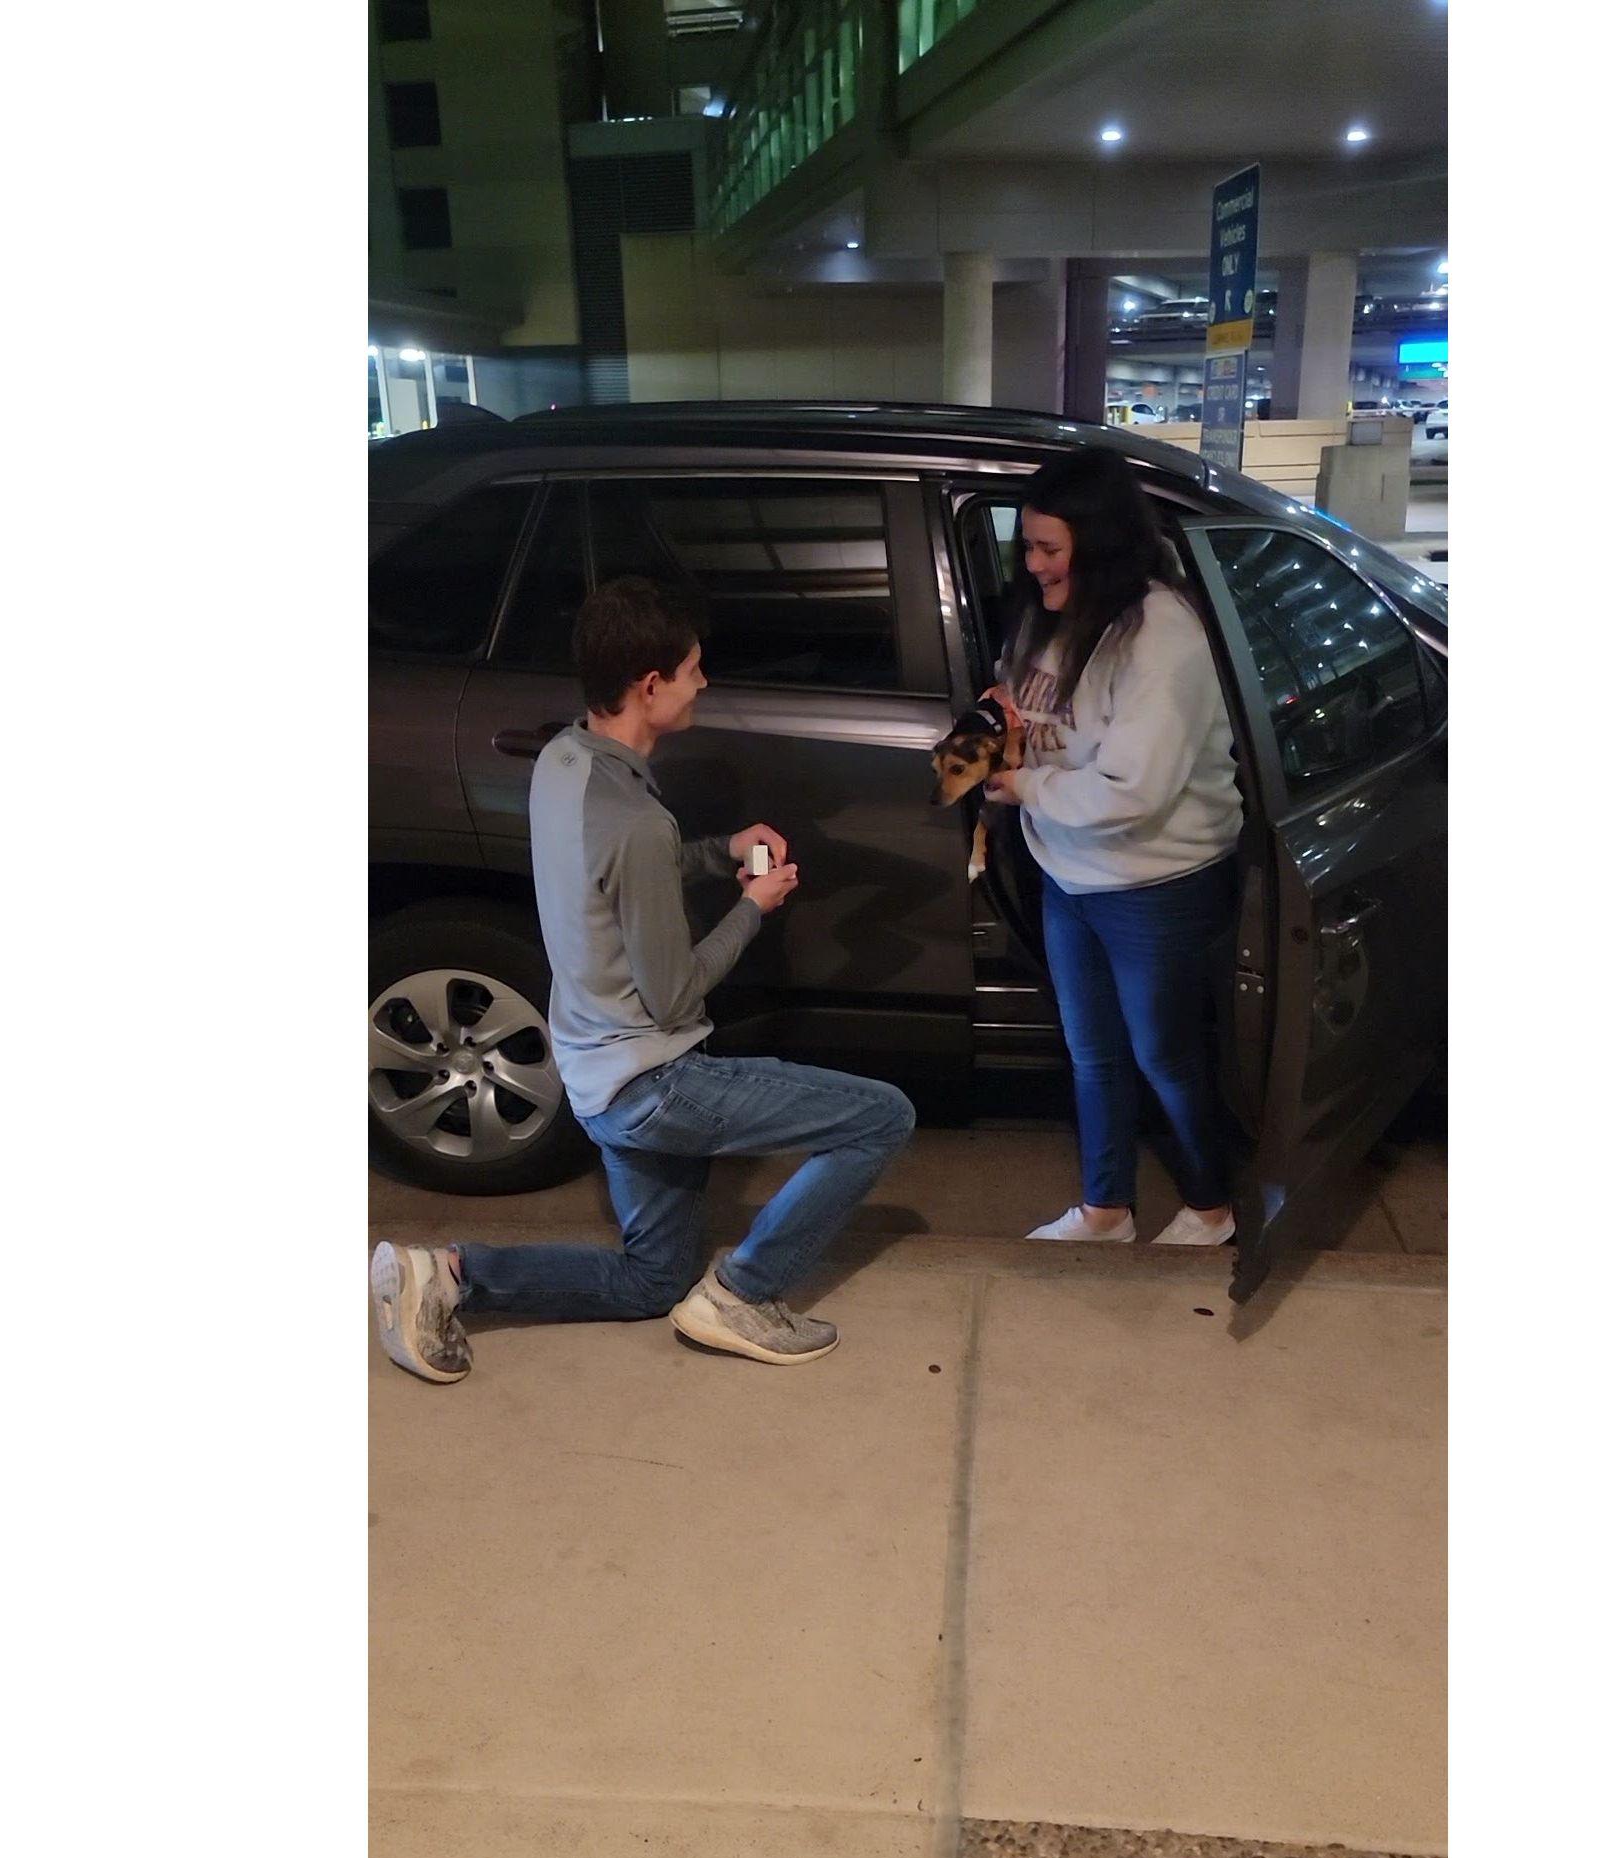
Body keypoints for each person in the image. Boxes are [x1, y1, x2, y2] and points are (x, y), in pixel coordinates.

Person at [371, 577, 917, 1378]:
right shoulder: (636, 821)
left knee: (650, 1278)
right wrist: (755, 905)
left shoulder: (564, 760)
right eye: (694, 670)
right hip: (655, 1084)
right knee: (880, 1118)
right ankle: (743, 1293)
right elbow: (677, 994)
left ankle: (448, 1273)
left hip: (593, 1072)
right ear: (651, 684)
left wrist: (721, 848)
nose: (703, 683)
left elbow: (618, 877)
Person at [981, 448, 1243, 1249]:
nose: (1034, 566)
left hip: (1154, 879)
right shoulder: (1049, 614)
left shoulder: (1161, 636)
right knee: (1090, 1050)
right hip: (1069, 869)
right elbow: (1030, 696)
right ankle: (1107, 1211)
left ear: (1098, 543)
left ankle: (1210, 1208)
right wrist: (1004, 723)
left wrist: (1026, 789)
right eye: (1026, 548)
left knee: (1164, 1054)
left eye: (1050, 549)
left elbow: (1136, 789)